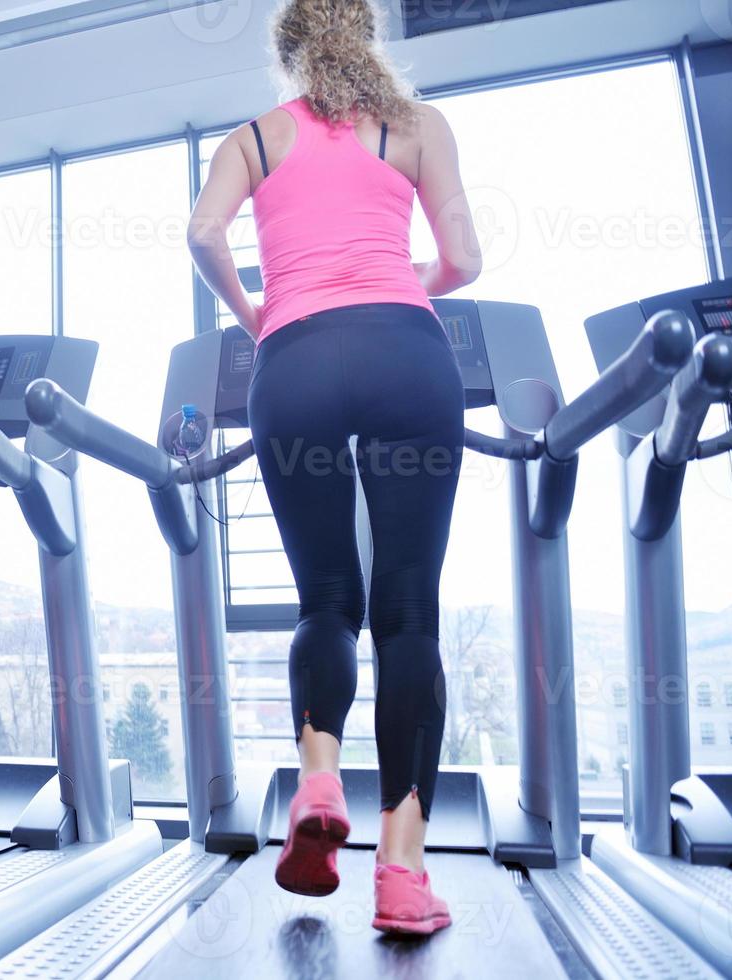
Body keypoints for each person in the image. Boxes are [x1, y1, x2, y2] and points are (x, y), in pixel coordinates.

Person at [187, 0, 481, 937]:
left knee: (325, 599)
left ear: (286, 57)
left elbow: (201, 236)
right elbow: (464, 260)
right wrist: (396, 291)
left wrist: (259, 315)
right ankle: (400, 875)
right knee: (406, 611)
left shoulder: (254, 137)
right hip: (407, 353)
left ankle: (319, 776)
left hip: (296, 361)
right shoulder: (419, 126)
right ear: (368, 37)